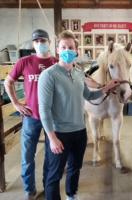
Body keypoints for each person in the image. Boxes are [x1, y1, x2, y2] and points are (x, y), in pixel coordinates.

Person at [38, 30, 120, 200]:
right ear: (58, 50)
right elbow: (44, 110)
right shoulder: (48, 75)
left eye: (70, 47)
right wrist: (52, 138)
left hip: (79, 132)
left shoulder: (78, 73)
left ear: (76, 51)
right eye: (63, 47)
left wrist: (105, 88)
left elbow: (89, 96)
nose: (67, 50)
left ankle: (71, 195)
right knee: (55, 174)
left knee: (75, 168)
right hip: (59, 133)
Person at [4, 29, 57, 200]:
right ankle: (29, 190)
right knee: (27, 156)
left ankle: (48, 188)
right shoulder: (24, 62)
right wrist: (16, 103)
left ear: (49, 42)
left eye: (43, 40)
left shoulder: (56, 62)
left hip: (52, 118)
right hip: (31, 117)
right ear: (33, 44)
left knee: (51, 156)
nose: (40, 43)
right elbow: (8, 82)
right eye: (37, 41)